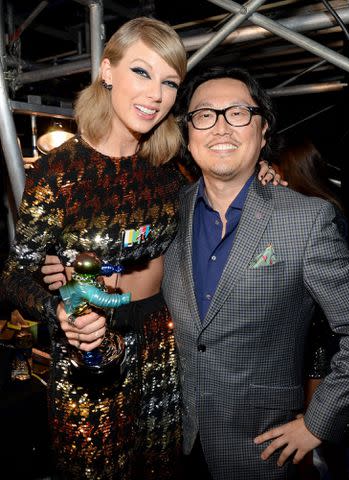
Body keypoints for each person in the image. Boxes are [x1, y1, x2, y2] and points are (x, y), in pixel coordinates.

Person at [0, 18, 280, 480]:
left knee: (161, 468)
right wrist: (59, 311)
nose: (156, 94)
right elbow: (14, 275)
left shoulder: (170, 163)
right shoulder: (60, 171)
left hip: (164, 340)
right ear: (107, 70)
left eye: (169, 81)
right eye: (141, 72)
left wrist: (261, 174)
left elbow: (227, 176)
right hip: (89, 346)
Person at [161, 66, 349, 480]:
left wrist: (317, 422)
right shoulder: (167, 214)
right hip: (176, 444)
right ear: (188, 133)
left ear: (262, 130)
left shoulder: (306, 220)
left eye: (237, 113)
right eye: (205, 114)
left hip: (262, 450)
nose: (220, 127)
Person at [273, 135, 349, 480]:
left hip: (319, 336)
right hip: (318, 334)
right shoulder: (326, 204)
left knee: (310, 431)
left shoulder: (316, 215)